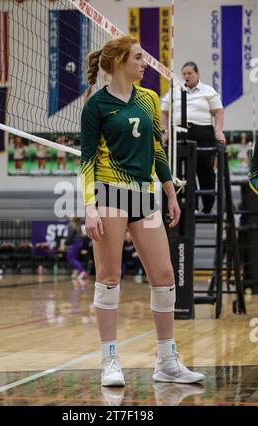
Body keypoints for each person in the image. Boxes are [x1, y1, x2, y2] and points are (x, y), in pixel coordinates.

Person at [81, 35, 205, 387]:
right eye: (138, 57)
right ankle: (109, 361)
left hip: (143, 196)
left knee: (165, 278)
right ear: (120, 61)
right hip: (109, 193)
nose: (144, 63)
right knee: (108, 278)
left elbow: (156, 149)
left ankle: (166, 361)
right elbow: (87, 159)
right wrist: (90, 206)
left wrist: (170, 193)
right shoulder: (96, 106)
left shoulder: (149, 99)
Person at [161, 61, 226, 214]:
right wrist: (165, 132)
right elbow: (164, 112)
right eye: (184, 73)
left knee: (204, 170)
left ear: (197, 74)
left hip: (202, 133)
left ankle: (208, 205)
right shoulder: (175, 90)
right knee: (183, 171)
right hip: (180, 132)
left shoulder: (207, 90)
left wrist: (218, 131)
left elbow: (219, 112)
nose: (186, 76)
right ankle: (192, 206)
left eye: (189, 73)